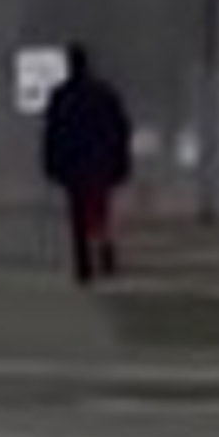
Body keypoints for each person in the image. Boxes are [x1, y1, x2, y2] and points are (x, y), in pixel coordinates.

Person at [41, 44, 134, 285]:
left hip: (74, 164)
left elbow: (52, 134)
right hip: (101, 162)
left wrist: (51, 163)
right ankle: (104, 247)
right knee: (100, 209)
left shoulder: (61, 96)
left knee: (78, 214)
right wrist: (121, 161)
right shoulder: (104, 93)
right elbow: (120, 130)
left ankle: (83, 262)